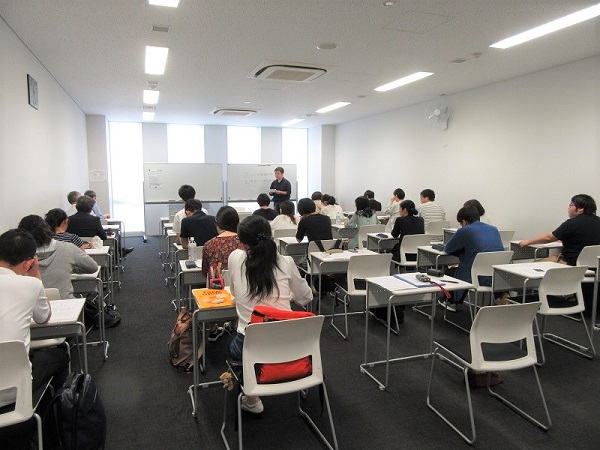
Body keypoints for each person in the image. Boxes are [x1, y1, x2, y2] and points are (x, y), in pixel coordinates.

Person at [228, 215, 313, 413]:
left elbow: (234, 292)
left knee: (231, 345)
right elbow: (306, 297)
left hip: (250, 343)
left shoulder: (234, 258)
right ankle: (296, 377)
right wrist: (290, 295)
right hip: (291, 342)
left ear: (242, 244)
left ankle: (253, 400)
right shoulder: (286, 262)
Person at [0, 229, 69, 437]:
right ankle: (49, 427)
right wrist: (36, 275)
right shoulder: (30, 284)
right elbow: (43, 317)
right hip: (12, 391)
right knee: (60, 355)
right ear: (29, 262)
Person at [18, 215, 98, 299]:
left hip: (33, 304)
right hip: (67, 304)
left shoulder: (18, 257)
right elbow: (93, 267)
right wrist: (69, 268)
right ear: (47, 229)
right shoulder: (67, 248)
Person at [442, 206, 503, 311]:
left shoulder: (465, 230)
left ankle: (452, 303)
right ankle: (497, 298)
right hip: (496, 276)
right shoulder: (494, 229)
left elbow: (448, 249)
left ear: (464, 222)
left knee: (449, 272)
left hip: (476, 277)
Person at [519, 194, 600, 266]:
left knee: (531, 266)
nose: (568, 207)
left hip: (570, 264)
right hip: (594, 266)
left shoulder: (573, 223)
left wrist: (527, 242)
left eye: (571, 205)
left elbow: (548, 238)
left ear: (581, 208)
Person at [201, 206, 243, 342]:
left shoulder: (209, 244)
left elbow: (205, 271)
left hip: (217, 290)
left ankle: (213, 328)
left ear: (217, 224)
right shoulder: (244, 242)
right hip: (241, 288)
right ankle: (234, 323)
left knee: (212, 279)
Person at [67, 195, 134, 256]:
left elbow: (68, 236)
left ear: (76, 206)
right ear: (91, 208)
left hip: (74, 251)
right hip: (93, 251)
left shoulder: (69, 220)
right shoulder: (95, 219)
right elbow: (103, 237)